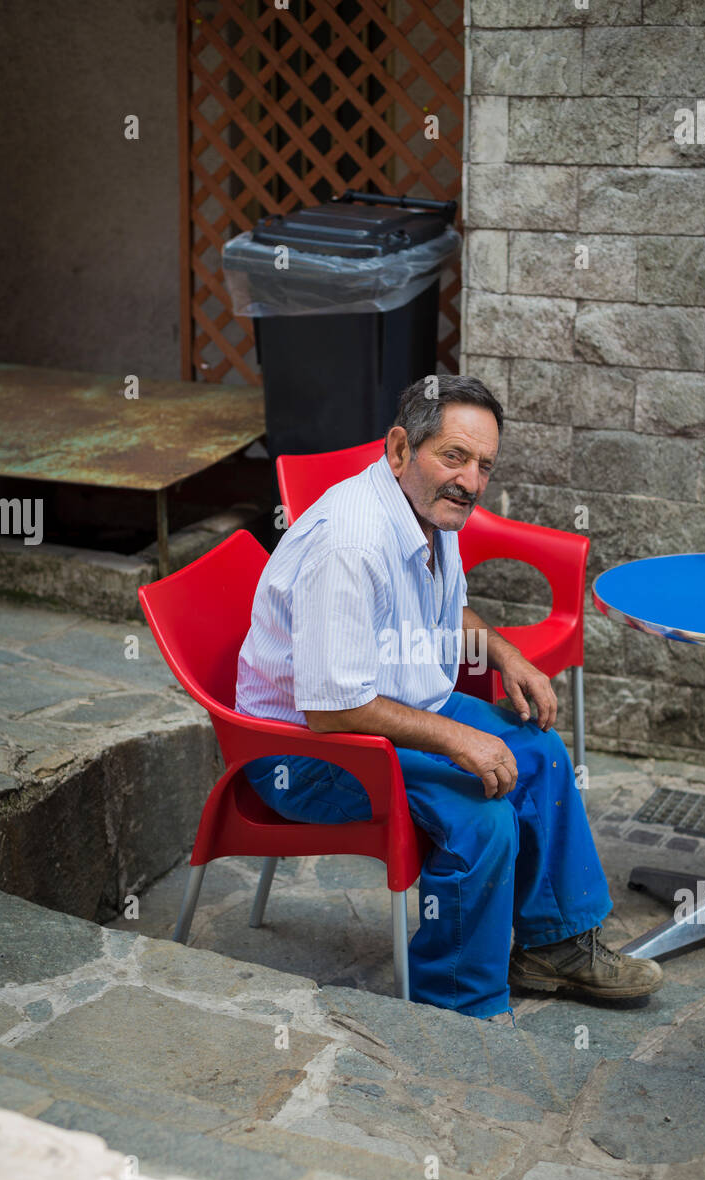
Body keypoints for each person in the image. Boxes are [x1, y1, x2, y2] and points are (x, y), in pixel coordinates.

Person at [235, 375, 662, 1023]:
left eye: (483, 465)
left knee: (540, 751)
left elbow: (446, 609)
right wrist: (459, 738)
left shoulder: (431, 510)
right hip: (312, 750)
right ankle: (455, 1003)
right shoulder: (349, 544)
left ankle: (555, 947)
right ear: (400, 448)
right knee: (481, 816)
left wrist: (504, 652)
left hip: (395, 710)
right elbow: (330, 708)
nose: (469, 479)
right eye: (453, 457)